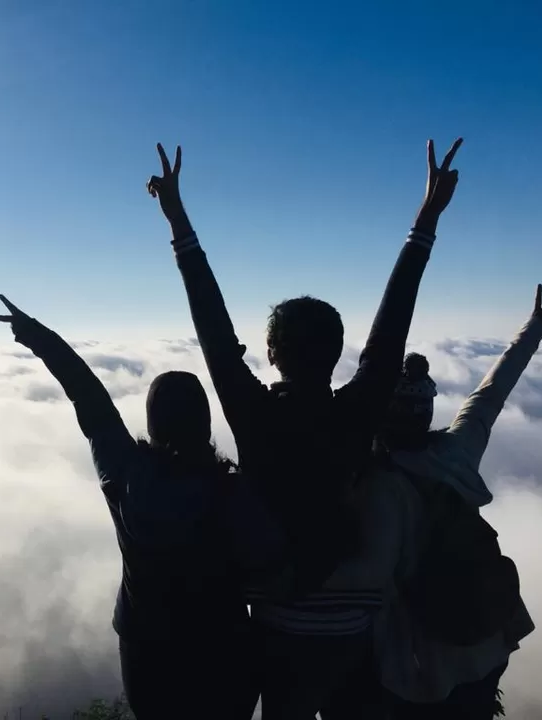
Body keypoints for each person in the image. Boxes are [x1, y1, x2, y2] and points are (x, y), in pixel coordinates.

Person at [146, 138, 463, 717]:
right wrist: (426, 219)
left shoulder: (253, 412)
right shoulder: (358, 409)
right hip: (354, 629)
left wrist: (178, 220)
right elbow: (393, 327)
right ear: (341, 352)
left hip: (276, 624)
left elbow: (213, 330)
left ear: (270, 353)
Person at [0, 294, 288, 720]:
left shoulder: (124, 474)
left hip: (146, 650)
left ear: (152, 423)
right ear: (204, 424)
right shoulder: (234, 492)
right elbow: (271, 560)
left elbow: (89, 399)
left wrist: (38, 337)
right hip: (225, 648)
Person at [357, 283, 542, 720]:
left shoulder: (369, 480)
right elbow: (491, 393)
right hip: (485, 648)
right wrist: (535, 328)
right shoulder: (457, 454)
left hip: (412, 667)